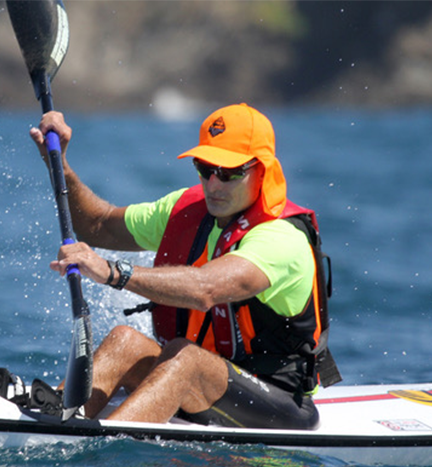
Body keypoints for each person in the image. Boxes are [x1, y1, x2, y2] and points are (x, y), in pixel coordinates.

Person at [29, 104, 341, 430]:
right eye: (205, 167)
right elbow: (97, 225)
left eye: (229, 172)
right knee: (125, 341)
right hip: (204, 383)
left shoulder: (281, 239)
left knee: (185, 358)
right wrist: (58, 164)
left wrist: (112, 272)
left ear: (262, 170)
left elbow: (206, 290)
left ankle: (95, 450)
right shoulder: (186, 210)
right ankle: (51, 422)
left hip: (279, 403)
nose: (214, 184)